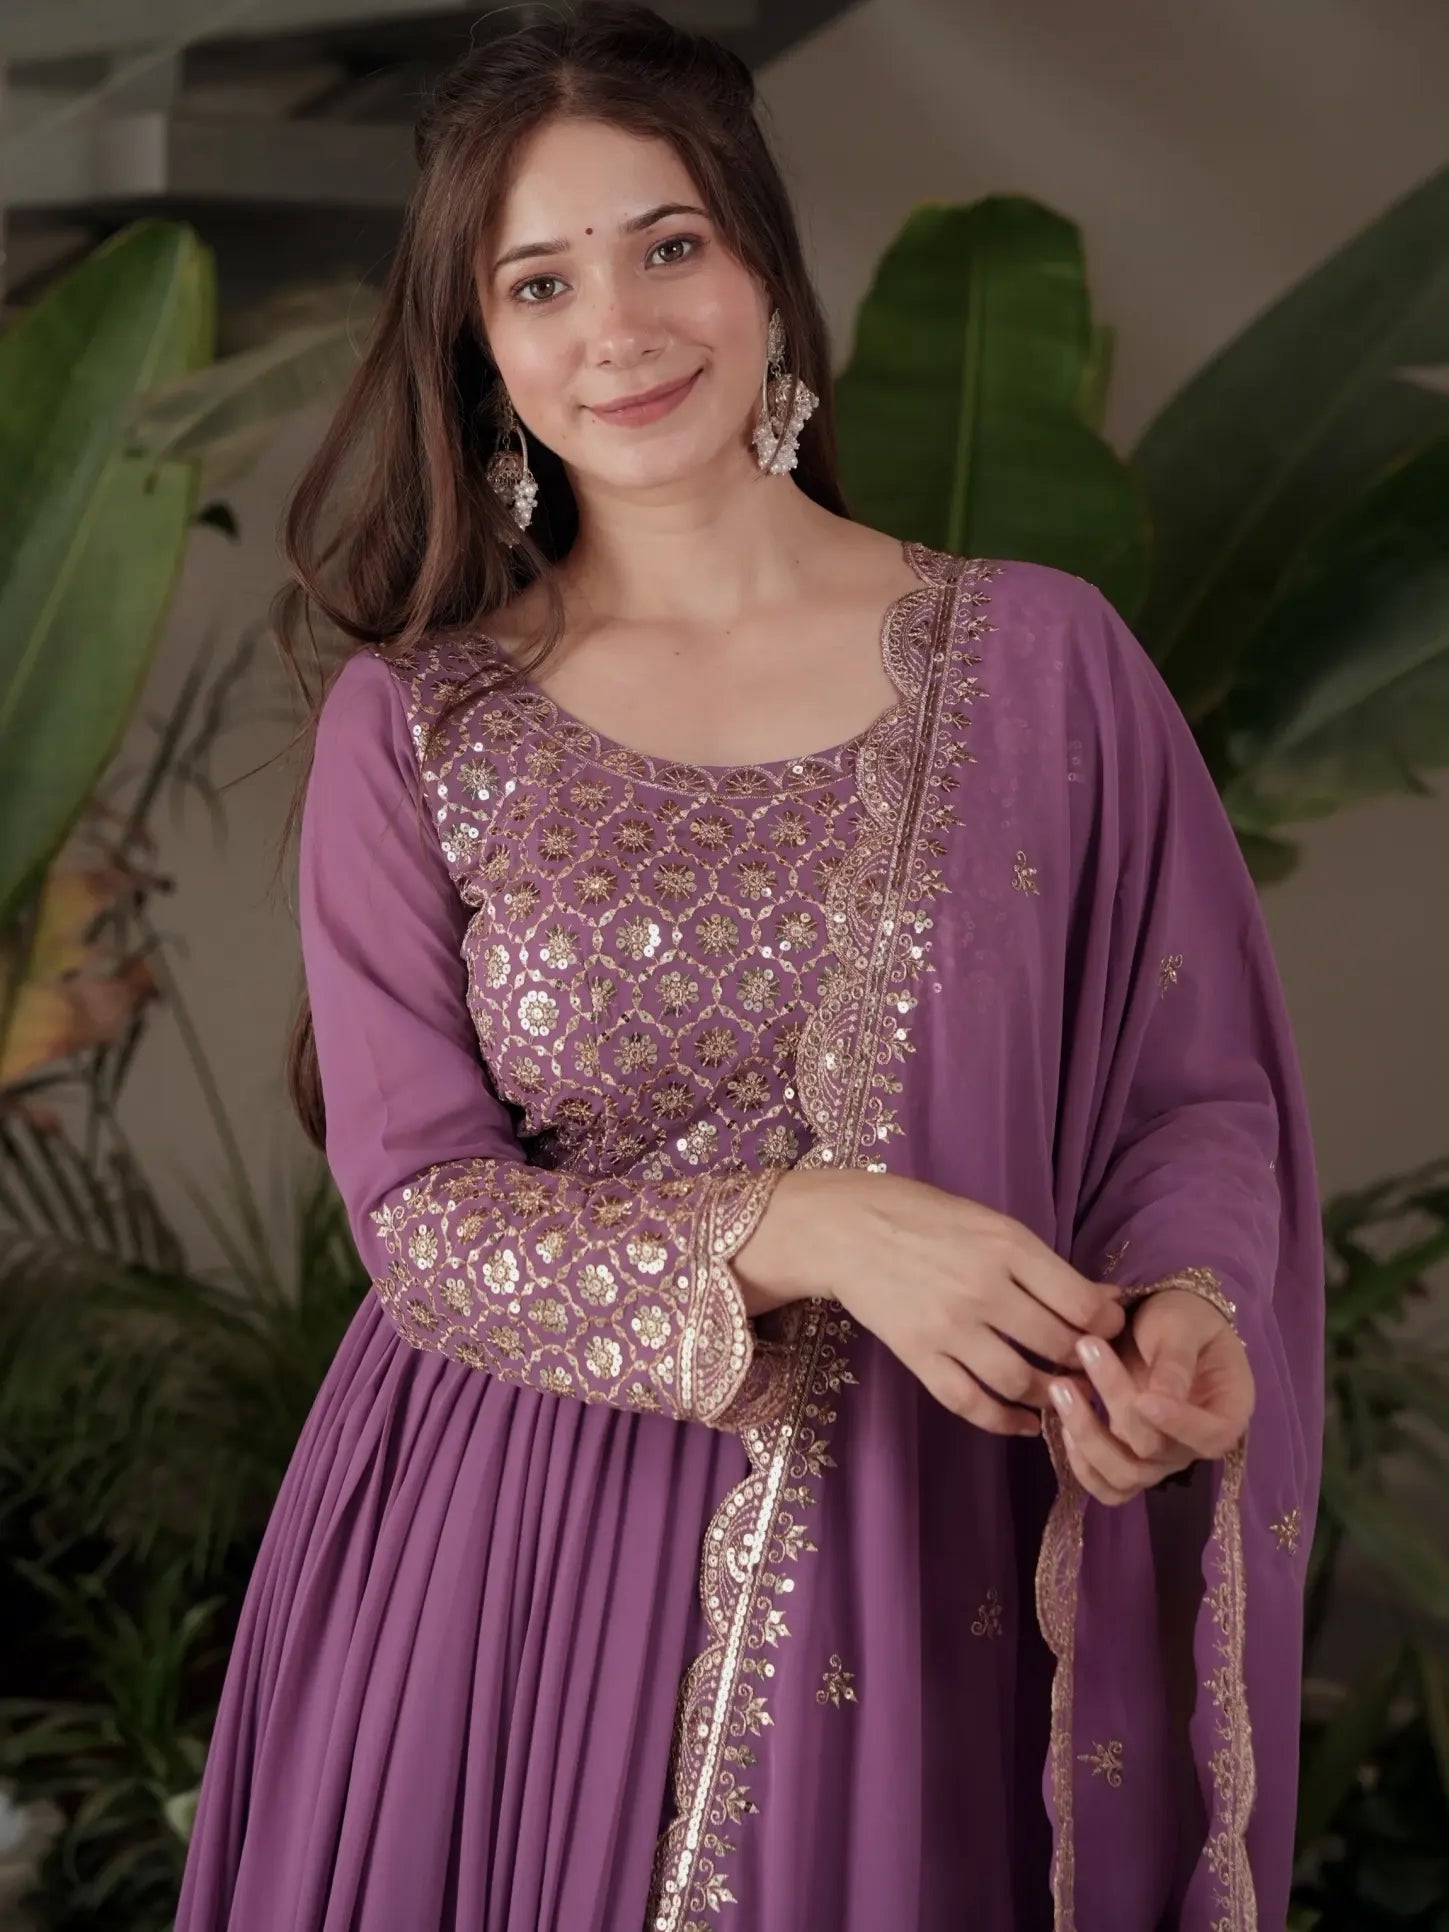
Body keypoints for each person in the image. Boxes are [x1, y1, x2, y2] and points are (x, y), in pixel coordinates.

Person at [174, 5, 1323, 1928]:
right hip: (515, 1578)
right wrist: (813, 1225)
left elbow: (1187, 1094)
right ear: (481, 346)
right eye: (540, 281)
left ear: (766, 271)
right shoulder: (424, 726)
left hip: (945, 1544)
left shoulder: (1045, 666)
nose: (616, 327)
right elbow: (425, 1222)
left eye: (668, 246)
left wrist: (1184, 1316)